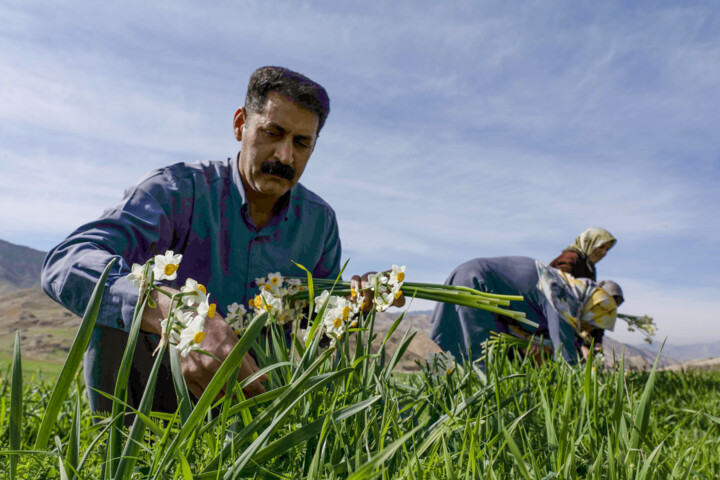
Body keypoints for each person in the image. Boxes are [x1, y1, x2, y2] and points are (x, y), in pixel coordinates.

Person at [41, 66, 400, 416]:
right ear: (241, 124)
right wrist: (178, 316)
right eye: (273, 133)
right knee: (121, 296)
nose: (285, 156)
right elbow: (67, 261)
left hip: (250, 403)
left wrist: (349, 308)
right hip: (151, 391)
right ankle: (118, 444)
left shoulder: (320, 223)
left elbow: (312, 332)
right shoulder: (177, 191)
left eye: (301, 143)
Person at [429, 256, 619, 365]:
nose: (585, 327)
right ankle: (480, 419)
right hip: (477, 283)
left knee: (472, 358)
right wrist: (580, 384)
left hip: (472, 278)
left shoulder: (561, 284)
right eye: (590, 322)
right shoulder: (561, 295)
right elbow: (564, 352)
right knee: (480, 361)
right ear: (590, 308)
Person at [549, 227, 617, 281]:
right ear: (588, 243)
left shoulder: (588, 266)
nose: (604, 253)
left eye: (607, 249)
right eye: (601, 247)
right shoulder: (570, 259)